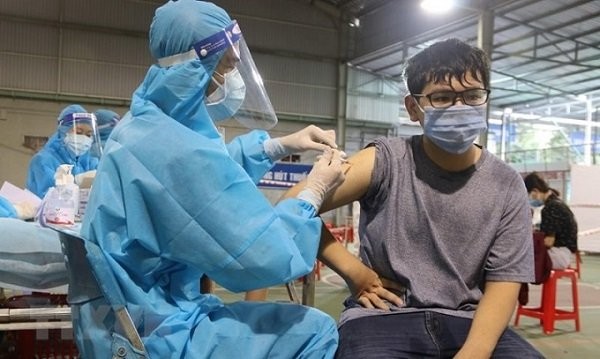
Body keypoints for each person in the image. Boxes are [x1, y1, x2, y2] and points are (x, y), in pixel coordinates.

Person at [78, 1, 345, 358]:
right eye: (226, 64)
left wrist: (276, 146)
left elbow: (205, 176)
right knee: (316, 330)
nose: (234, 72)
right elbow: (264, 255)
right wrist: (313, 191)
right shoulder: (165, 148)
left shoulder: (146, 125)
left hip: (135, 315)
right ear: (194, 65)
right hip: (158, 333)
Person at [285, 38, 543, 358]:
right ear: (413, 108)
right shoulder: (386, 160)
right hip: (383, 316)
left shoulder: (506, 184)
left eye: (473, 96)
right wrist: (352, 270)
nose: (459, 108)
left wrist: (475, 350)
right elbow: (292, 205)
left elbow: (505, 280)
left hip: (470, 322)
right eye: (442, 97)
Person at [25, 105, 101, 198]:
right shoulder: (43, 161)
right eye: (79, 132)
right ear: (63, 131)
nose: (84, 138)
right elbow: (49, 197)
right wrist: (75, 182)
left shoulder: (91, 163)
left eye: (89, 135)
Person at [524, 172, 578, 269]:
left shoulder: (551, 208)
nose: (530, 199)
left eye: (529, 195)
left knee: (518, 260)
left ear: (535, 191)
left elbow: (548, 242)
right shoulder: (557, 203)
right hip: (564, 254)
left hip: (559, 255)